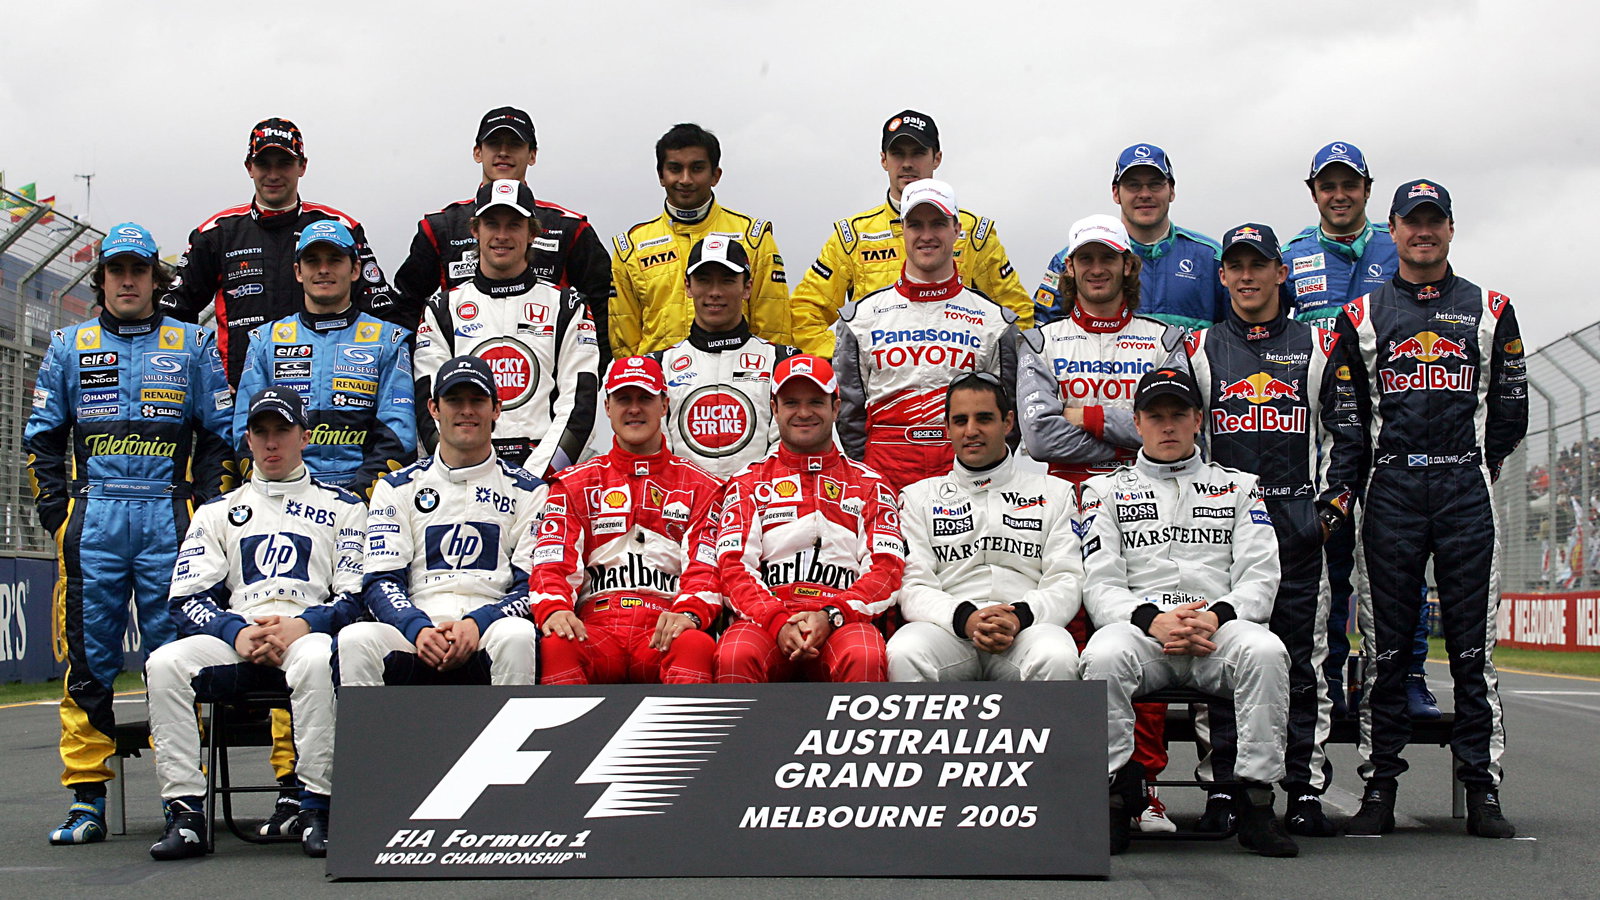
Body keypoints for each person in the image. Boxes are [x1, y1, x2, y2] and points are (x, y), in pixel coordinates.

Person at [25, 223, 234, 846]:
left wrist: (207, 510)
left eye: (138, 270)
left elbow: (219, 435)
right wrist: (56, 512)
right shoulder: (68, 344)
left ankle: (182, 799)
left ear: (155, 278)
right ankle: (87, 799)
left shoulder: (193, 345)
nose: (126, 280)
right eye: (116, 270)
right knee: (88, 661)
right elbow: (42, 437)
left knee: (174, 663)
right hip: (94, 519)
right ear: (102, 278)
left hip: (170, 518)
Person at [1332, 180, 1527, 839]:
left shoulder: (1490, 308)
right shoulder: (1360, 315)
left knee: (1474, 649)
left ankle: (1482, 789)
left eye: (1434, 221)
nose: (1423, 232)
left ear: (1450, 229)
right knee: (1384, 649)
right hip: (1390, 490)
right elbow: (1348, 417)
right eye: (1412, 221)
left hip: (1464, 489)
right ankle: (1379, 788)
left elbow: (1511, 409)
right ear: (1392, 230)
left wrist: (1476, 461)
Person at [1185, 222, 1364, 837]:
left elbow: (1347, 435)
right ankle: (1222, 790)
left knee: (1301, 662)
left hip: (1295, 522)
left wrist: (1330, 512)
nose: (1246, 275)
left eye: (1258, 265)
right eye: (1235, 266)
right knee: (1220, 658)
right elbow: (1188, 441)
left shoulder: (1317, 344)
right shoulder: (1198, 349)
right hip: (1220, 526)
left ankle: (1304, 788)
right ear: (1222, 276)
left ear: (1281, 274)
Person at [1078, 367, 1296, 858]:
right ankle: (1111, 799)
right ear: (1137, 423)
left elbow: (1261, 575)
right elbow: (1099, 580)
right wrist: (1150, 620)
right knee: (1102, 656)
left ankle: (1257, 803)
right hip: (1143, 632)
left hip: (1218, 630)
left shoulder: (1241, 487)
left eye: (1179, 415)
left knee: (1266, 652)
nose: (1168, 426)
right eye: (1156, 416)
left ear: (1199, 419)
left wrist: (1217, 616)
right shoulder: (1103, 492)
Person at [1016, 213, 1186, 833]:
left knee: (1142, 634)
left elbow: (1171, 426)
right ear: (1070, 270)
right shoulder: (1042, 341)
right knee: (1071, 637)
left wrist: (1082, 409)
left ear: (1126, 267)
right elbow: (1037, 434)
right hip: (1059, 505)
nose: (1095, 269)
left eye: (1106, 259)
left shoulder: (1163, 339)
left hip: (1144, 500)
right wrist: (1129, 424)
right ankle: (1065, 784)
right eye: (1083, 259)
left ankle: (1143, 787)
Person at [146, 387, 363, 860]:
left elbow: (357, 596)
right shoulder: (217, 511)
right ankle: (185, 815)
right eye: (260, 433)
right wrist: (236, 633)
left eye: (282, 431)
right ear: (246, 440)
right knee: (164, 664)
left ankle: (316, 808)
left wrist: (304, 625)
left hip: (308, 636)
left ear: (304, 436)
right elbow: (185, 598)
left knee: (315, 660)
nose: (271, 443)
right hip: (242, 636)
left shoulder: (346, 507)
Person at [1279, 142, 1435, 720]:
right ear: (1313, 192)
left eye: (1349, 185)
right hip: (1319, 436)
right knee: (1330, 563)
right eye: (1328, 186)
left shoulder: (1397, 247)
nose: (1339, 195)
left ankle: (1407, 675)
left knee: (1402, 564)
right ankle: (1329, 679)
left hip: (1396, 431)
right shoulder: (1291, 256)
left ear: (1368, 190)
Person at [337, 356, 544, 688]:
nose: (466, 410)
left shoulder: (530, 490)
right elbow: (380, 581)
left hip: (490, 625)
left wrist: (478, 623)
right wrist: (417, 628)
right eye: (454, 400)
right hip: (418, 626)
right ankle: (370, 742)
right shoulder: (395, 487)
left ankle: (511, 740)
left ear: (496, 409)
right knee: (355, 639)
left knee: (518, 635)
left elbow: (532, 585)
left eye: (477, 400)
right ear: (433, 408)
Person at [161, 118, 402, 385]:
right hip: (239, 396)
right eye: (264, 164)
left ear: (303, 166)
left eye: (284, 163)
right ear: (249, 167)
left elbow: (383, 311)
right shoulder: (215, 233)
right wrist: (207, 379)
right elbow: (173, 314)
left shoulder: (339, 227)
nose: (273, 175)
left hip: (327, 392)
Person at [531, 356, 725, 684]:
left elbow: (705, 570)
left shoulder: (702, 486)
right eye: (623, 399)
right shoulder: (573, 483)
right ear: (606, 407)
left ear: (664, 405)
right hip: (596, 627)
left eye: (645, 398)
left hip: (664, 625)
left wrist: (688, 613)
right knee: (557, 644)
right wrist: (555, 609)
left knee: (694, 643)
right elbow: (552, 564)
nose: (634, 408)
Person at [714, 355, 904, 683]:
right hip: (767, 621)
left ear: (836, 406)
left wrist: (832, 615)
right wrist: (775, 621)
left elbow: (887, 569)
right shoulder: (747, 481)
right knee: (736, 652)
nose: (803, 413)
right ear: (774, 408)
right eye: (791, 403)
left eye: (816, 401)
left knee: (864, 653)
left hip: (842, 619)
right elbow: (732, 568)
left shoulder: (871, 484)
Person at [887, 372, 1081, 683]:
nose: (971, 431)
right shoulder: (917, 497)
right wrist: (965, 619)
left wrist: (1019, 617)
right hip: (947, 630)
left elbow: (1067, 579)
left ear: (1007, 423)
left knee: (1057, 655)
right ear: (947, 427)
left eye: (984, 418)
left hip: (1026, 630)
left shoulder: (1056, 493)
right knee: (905, 650)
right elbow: (913, 585)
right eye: (960, 420)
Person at [790, 109, 1032, 355]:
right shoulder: (853, 237)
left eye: (918, 153)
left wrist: (986, 375)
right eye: (897, 154)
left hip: (957, 383)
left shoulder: (974, 234)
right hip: (880, 384)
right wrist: (849, 362)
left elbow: (1018, 314)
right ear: (884, 159)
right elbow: (804, 313)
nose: (907, 163)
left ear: (936, 158)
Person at [834, 178, 1020, 493]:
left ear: (957, 229)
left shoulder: (995, 320)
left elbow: (1008, 421)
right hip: (885, 474)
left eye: (938, 224)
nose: (927, 235)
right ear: (901, 230)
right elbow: (848, 416)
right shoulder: (860, 317)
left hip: (965, 474)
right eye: (916, 225)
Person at [414, 179, 599, 478]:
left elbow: (579, 406)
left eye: (514, 225)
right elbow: (429, 406)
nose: (501, 235)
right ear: (475, 230)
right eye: (491, 224)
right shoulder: (441, 308)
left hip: (544, 476)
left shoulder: (567, 305)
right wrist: (464, 468)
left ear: (532, 233)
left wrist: (535, 478)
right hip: (465, 470)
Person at [394, 106, 612, 356]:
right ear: (478, 152)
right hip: (461, 384)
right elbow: (406, 308)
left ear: (532, 155)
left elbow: (604, 309)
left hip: (545, 379)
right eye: (494, 143)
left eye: (515, 144)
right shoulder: (440, 227)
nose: (504, 152)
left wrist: (597, 376)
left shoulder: (569, 227)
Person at [236, 219, 415, 497]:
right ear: (298, 271)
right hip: (286, 497)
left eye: (334, 260)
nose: (323, 270)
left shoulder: (389, 341)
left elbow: (399, 435)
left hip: (363, 502)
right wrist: (292, 492)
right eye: (312, 261)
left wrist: (353, 501)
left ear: (355, 269)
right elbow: (244, 434)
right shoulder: (265, 342)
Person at [609, 122, 790, 358]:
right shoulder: (631, 247)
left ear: (715, 175)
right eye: (675, 169)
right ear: (661, 175)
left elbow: (774, 330)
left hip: (740, 382)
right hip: (659, 384)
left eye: (696, 168)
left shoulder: (753, 237)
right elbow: (624, 343)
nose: (685, 179)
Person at [1034, 144, 1224, 332]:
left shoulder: (1211, 258)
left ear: (1172, 190)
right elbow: (1040, 336)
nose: (1145, 194)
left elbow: (1239, 335)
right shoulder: (1069, 259)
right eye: (1133, 185)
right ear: (1116, 193)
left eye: (1155, 184)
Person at [653, 236, 799, 478]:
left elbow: (787, 446)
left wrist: (750, 494)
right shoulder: (659, 365)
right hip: (684, 507)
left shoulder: (781, 360)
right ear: (688, 286)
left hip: (761, 504)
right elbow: (657, 449)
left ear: (747, 287)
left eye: (728, 281)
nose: (715, 292)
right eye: (704, 280)